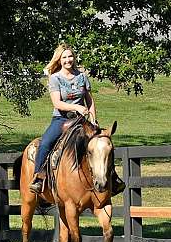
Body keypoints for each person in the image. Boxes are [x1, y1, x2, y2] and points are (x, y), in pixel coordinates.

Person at [29, 44, 125, 195]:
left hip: (82, 121)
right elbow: (57, 103)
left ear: (74, 58)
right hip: (61, 119)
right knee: (46, 143)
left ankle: (113, 177)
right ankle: (39, 177)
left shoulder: (82, 77)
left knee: (101, 144)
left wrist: (93, 119)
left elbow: (90, 101)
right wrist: (76, 108)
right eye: (64, 57)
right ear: (59, 60)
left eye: (70, 56)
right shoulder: (55, 78)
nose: (68, 60)